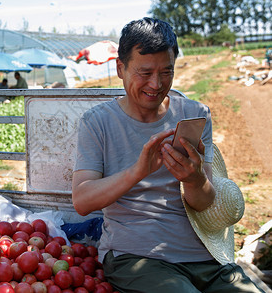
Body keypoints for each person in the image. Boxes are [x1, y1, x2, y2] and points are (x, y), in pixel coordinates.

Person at [72, 17, 264, 293]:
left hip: (206, 258)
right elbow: (82, 200)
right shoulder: (97, 123)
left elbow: (204, 203)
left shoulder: (194, 115)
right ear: (120, 68)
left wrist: (195, 180)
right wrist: (137, 171)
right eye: (145, 72)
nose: (156, 84)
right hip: (137, 258)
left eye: (166, 72)